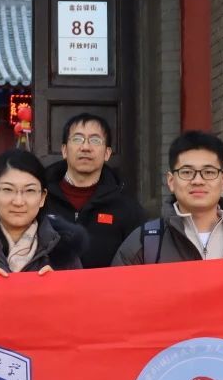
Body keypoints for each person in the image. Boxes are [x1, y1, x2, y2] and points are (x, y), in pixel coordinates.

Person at [111, 130, 223, 265]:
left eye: (209, 172)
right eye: (187, 172)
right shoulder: (144, 243)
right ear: (171, 181)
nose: (198, 181)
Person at [43, 112, 147, 268]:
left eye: (95, 140)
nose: (85, 147)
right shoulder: (40, 200)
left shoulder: (127, 208)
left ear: (107, 153)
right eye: (77, 139)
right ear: (64, 150)